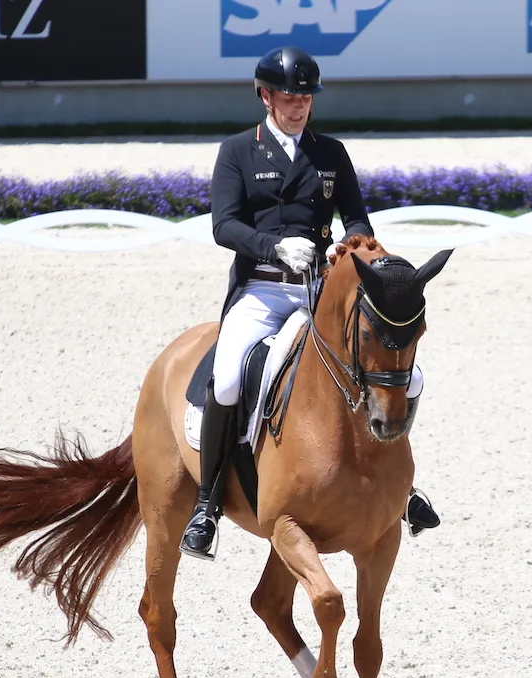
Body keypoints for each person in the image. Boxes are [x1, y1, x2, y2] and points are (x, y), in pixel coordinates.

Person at [181, 45, 440, 562]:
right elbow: (223, 225)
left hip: (317, 291)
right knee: (229, 375)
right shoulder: (238, 151)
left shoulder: (331, 153)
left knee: (398, 373)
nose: (298, 106)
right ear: (265, 96)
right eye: (288, 96)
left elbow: (358, 219)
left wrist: (358, 249)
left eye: (305, 97)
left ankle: (400, 489)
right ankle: (208, 504)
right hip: (260, 288)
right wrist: (270, 245)